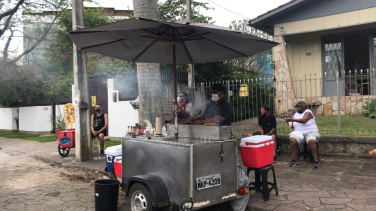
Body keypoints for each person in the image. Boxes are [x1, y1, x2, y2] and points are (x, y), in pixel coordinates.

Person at [285, 101, 320, 168]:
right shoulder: (295, 114)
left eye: (299, 107)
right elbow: (292, 126)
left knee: (311, 141)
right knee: (292, 140)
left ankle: (316, 160)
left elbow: (304, 120)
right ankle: (294, 159)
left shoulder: (308, 112)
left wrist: (291, 119)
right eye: (296, 107)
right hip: (299, 133)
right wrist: (288, 122)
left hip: (311, 132)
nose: (297, 108)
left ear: (304, 107)